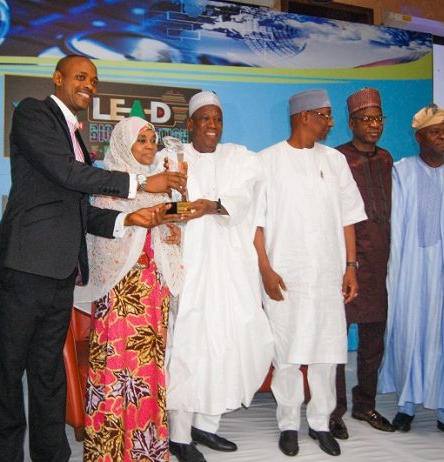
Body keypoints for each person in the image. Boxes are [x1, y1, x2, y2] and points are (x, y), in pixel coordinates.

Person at [0, 55, 187, 462]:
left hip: (62, 270)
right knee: (8, 371)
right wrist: (140, 183)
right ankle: (4, 455)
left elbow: (82, 209)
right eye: (81, 77)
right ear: (57, 78)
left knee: (48, 372)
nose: (89, 86)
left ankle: (51, 455)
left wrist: (128, 218)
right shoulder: (34, 113)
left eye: (94, 80)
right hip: (25, 265)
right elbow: (66, 174)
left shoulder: (78, 140)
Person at [254, 89, 366, 457]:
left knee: (326, 353)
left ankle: (320, 423)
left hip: (328, 274)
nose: (331, 122)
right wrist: (265, 269)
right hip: (285, 276)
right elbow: (256, 224)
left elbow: (349, 218)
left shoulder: (335, 161)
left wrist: (350, 267)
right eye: (325, 114)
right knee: (286, 354)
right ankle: (288, 424)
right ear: (304, 116)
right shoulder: (266, 161)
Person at [166, 91, 274, 462]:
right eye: (205, 119)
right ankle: (179, 435)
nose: (212, 125)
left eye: (217, 119)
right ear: (190, 124)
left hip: (230, 269)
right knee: (188, 347)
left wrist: (212, 205)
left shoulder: (239, 157)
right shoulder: (172, 157)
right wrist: (185, 208)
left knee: (227, 342)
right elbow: (163, 205)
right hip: (189, 267)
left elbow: (246, 195)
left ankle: (206, 425)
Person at [74, 117, 184, 462]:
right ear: (123, 144)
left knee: (148, 372)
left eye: (152, 140)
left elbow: (169, 235)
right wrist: (140, 225)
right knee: (115, 369)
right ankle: (107, 452)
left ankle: (145, 452)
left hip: (153, 294)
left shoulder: (163, 189)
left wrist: (171, 233)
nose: (150, 147)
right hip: (120, 295)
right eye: (141, 140)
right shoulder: (108, 187)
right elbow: (100, 242)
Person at [378, 104, 444, 446]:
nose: (443, 137)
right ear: (419, 137)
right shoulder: (401, 173)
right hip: (411, 269)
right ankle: (407, 406)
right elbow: (391, 227)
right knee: (410, 333)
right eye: (436, 132)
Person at [329, 88, 395, 440]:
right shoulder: (338, 158)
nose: (374, 125)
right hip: (345, 262)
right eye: (366, 119)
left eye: (378, 119)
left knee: (373, 340)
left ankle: (365, 404)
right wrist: (346, 262)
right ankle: (334, 410)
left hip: (380, 262)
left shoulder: (386, 159)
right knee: (335, 341)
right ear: (351, 123)